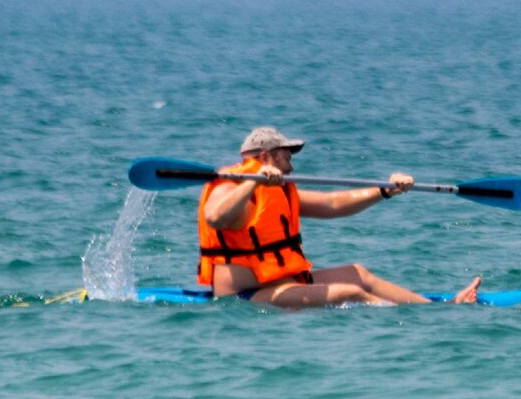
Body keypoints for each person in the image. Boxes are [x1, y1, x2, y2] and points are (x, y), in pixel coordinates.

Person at [198, 126, 481, 308]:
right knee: (349, 292)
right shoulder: (231, 184)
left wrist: (387, 190)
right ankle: (423, 325)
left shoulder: (280, 192)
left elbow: (334, 202)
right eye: (287, 157)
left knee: (357, 274)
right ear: (265, 156)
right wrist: (254, 181)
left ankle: (434, 310)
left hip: (280, 284)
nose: (292, 167)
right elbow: (214, 216)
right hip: (242, 297)